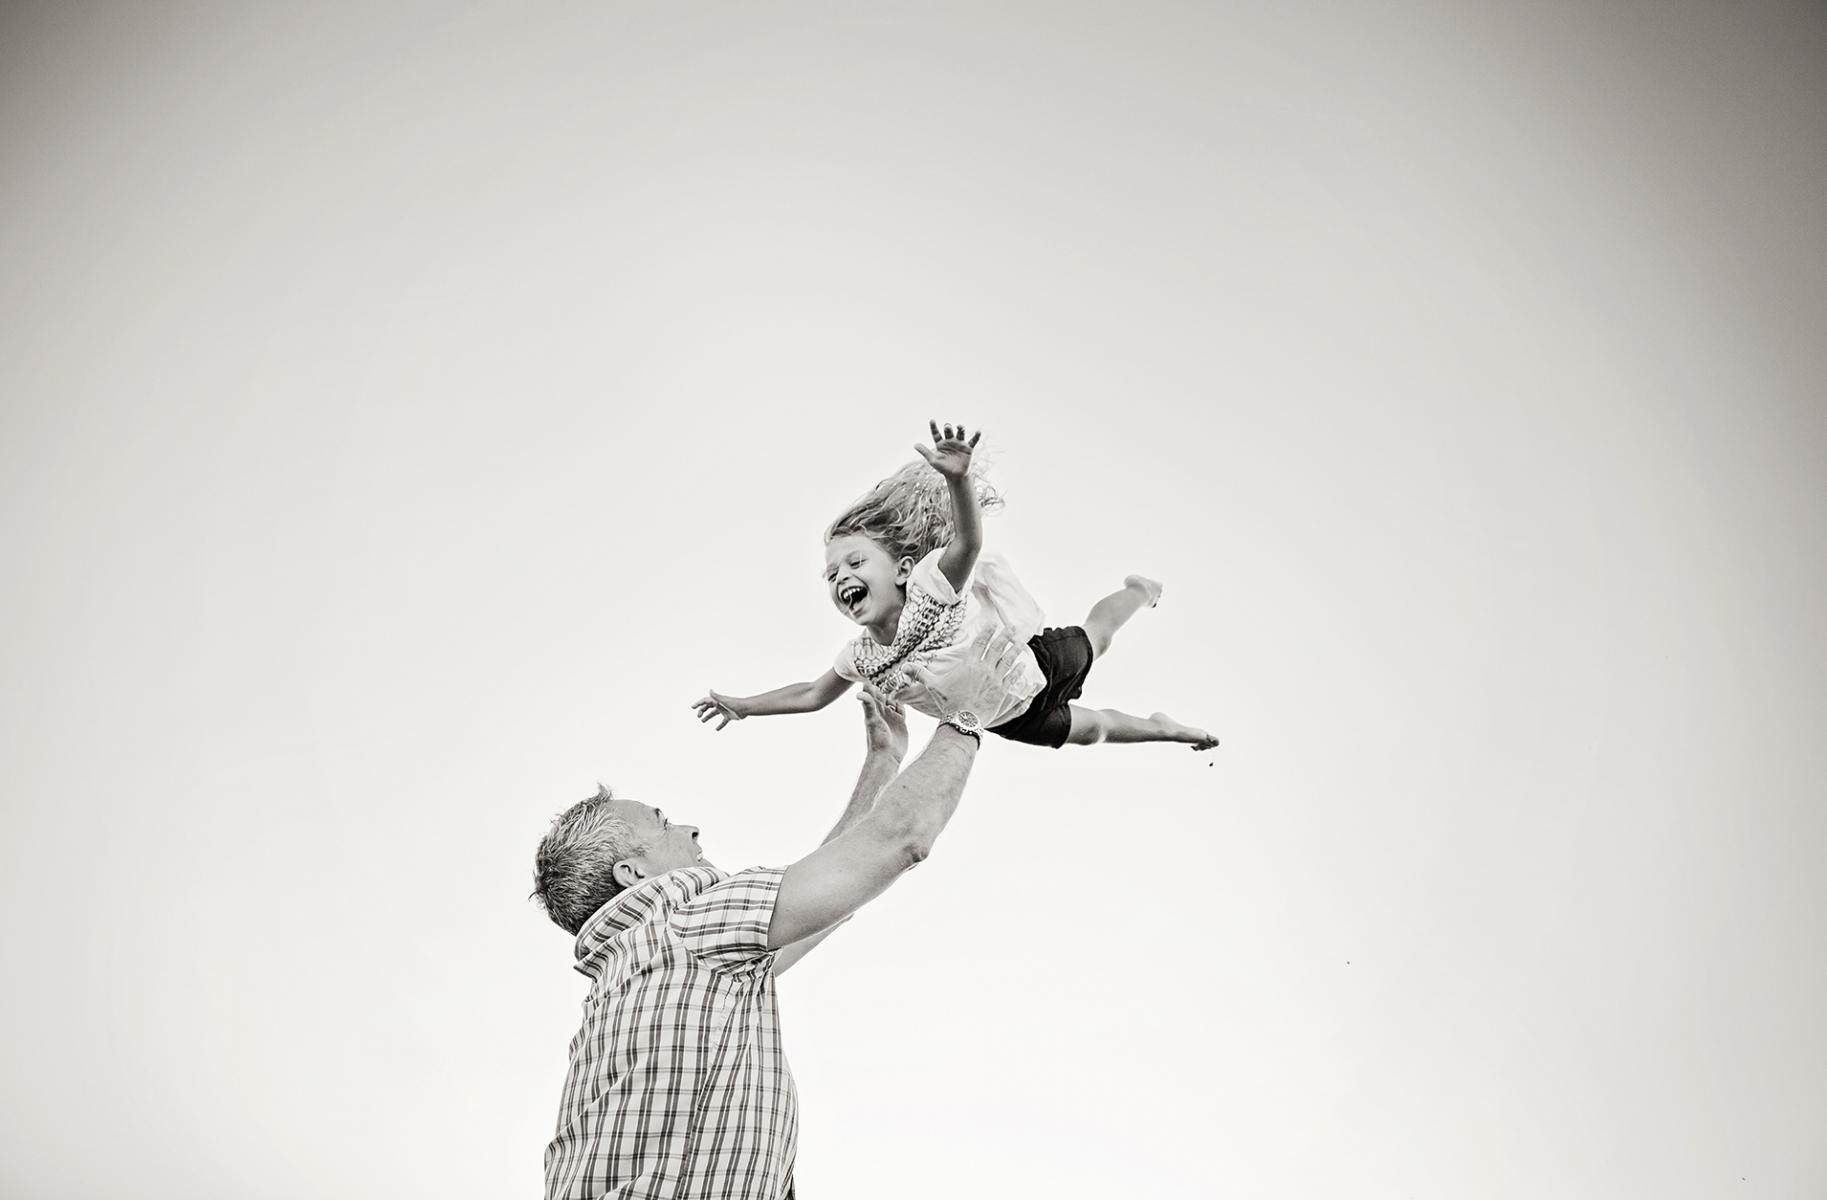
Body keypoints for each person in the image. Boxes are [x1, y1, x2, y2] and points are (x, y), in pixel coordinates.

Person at [533, 627, 1031, 1200]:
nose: (689, 828)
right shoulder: (683, 920)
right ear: (633, 874)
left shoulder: (642, 973)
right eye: (663, 821)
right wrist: (969, 717)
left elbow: (829, 897)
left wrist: (883, 760)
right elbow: (899, 841)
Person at [693, 421, 1219, 751]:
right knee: (1097, 730)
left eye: (855, 562)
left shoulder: (929, 589)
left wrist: (958, 480)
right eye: (832, 575)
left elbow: (966, 544)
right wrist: (746, 705)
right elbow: (811, 694)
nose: (841, 578)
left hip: (1033, 662)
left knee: (1097, 639)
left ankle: (1138, 589)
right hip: (1008, 716)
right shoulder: (863, 657)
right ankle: (1167, 728)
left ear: (901, 568)